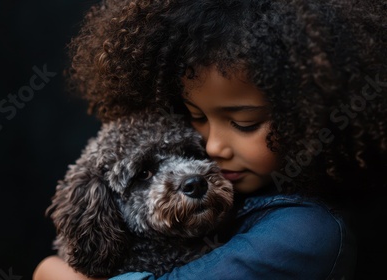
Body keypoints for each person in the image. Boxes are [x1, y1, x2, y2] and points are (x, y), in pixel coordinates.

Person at [33, 0, 387, 279]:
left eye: (244, 122)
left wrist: (51, 271)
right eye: (197, 117)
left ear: (309, 116)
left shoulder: (307, 233)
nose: (213, 147)